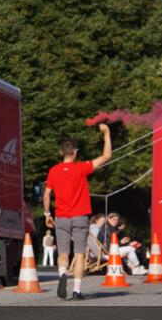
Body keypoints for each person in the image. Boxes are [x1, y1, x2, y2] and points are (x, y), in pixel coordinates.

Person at [42, 124, 112, 300]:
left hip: (61, 218)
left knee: (63, 253)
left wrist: (47, 214)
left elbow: (46, 194)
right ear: (75, 152)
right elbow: (106, 156)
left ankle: (62, 274)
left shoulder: (53, 171)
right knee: (79, 253)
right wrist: (106, 133)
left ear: (61, 153)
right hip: (80, 217)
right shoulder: (81, 168)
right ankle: (77, 291)